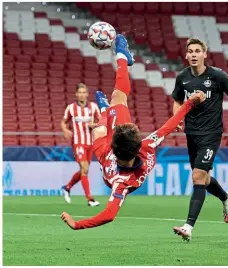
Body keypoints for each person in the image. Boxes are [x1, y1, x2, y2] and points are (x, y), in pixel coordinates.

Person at [61, 34, 206, 230]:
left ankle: (106, 108)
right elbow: (169, 126)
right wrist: (190, 103)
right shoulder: (144, 150)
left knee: (99, 129)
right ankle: (121, 60)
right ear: (137, 143)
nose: (136, 129)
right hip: (119, 158)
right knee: (117, 100)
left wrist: (78, 224)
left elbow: (108, 215)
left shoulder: (115, 169)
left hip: (107, 160)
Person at [171, 38, 228, 241]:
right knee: (203, 180)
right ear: (186, 55)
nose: (194, 54)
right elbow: (178, 100)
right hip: (191, 133)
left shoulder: (217, 75)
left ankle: (188, 226)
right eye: (190, 51)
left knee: (197, 177)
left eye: (198, 51)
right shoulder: (182, 77)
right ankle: (225, 196)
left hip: (211, 134)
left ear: (205, 54)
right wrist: (177, 119)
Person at [61, 83, 101, 207]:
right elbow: (63, 122)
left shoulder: (93, 107)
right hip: (78, 142)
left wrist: (93, 125)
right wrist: (65, 130)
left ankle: (67, 187)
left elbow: (101, 122)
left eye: (84, 92)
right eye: (80, 92)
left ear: (87, 94)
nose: (82, 95)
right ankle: (90, 199)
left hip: (90, 143)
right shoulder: (71, 108)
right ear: (76, 94)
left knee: (84, 170)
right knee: (84, 167)